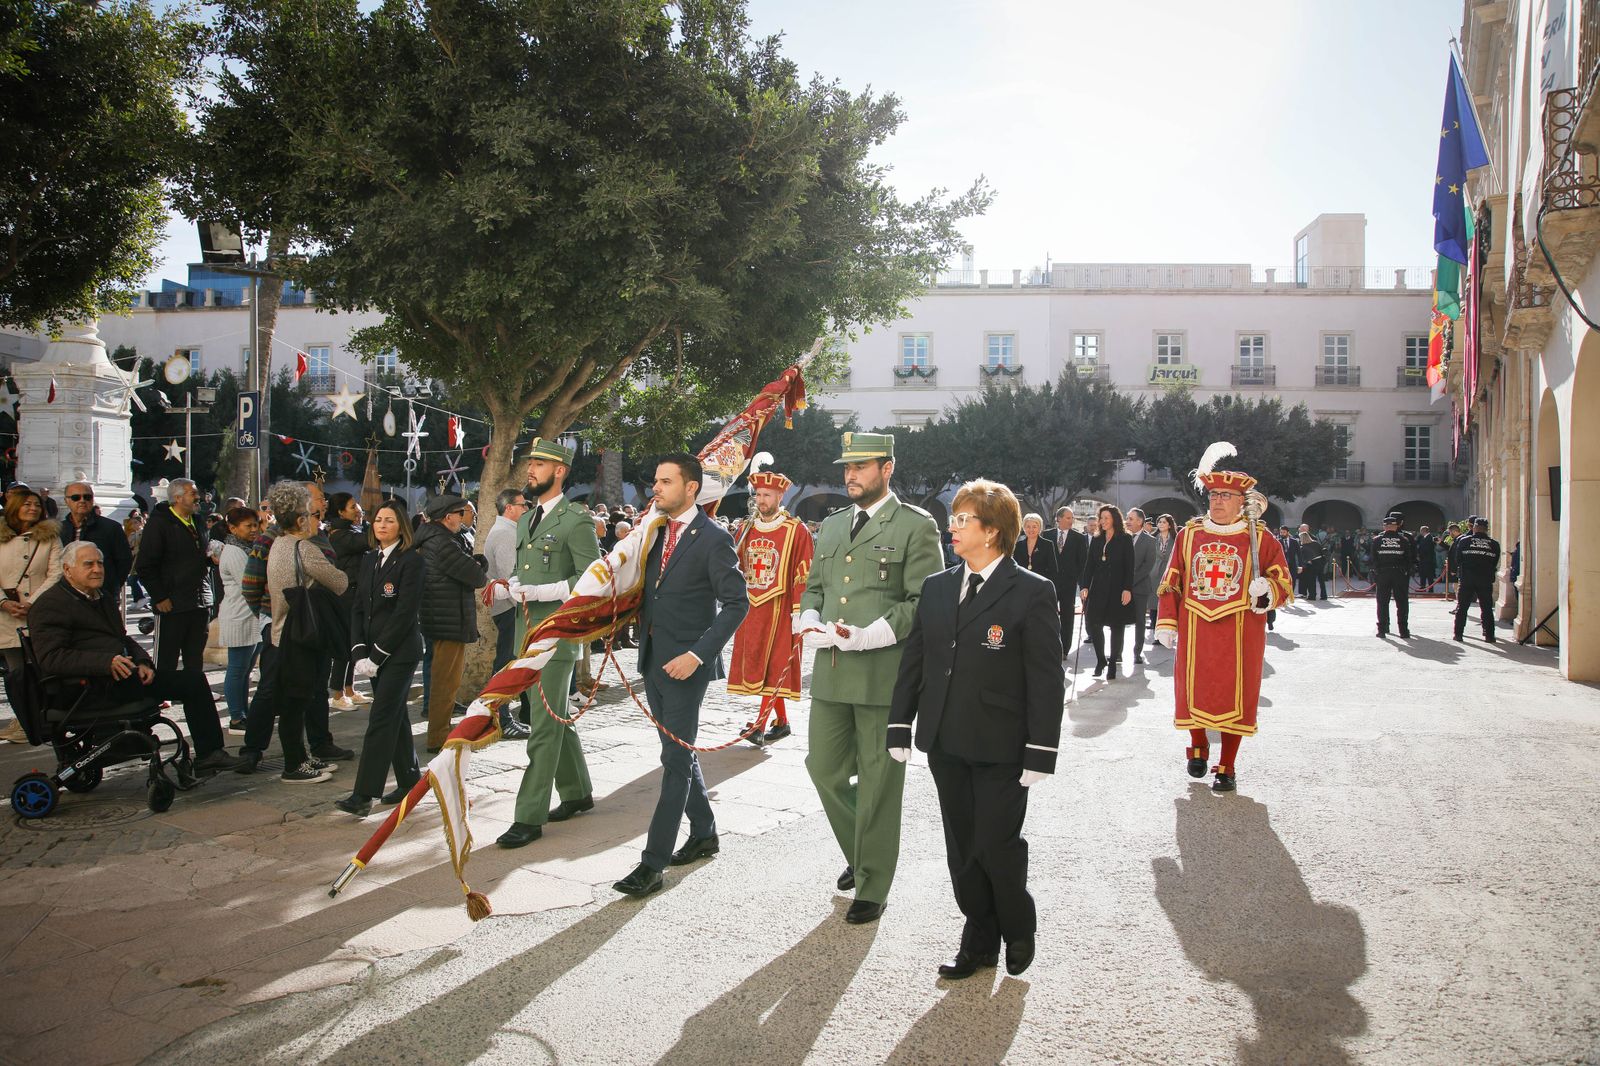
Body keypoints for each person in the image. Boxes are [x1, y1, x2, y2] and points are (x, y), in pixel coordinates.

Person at [888, 479, 1064, 980]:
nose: (953, 527)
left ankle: (1018, 924)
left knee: (996, 843)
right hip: (946, 740)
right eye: (955, 519)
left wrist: (1041, 751)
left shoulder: (1032, 591)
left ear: (991, 531)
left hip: (1003, 746)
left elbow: (1046, 679)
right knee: (963, 849)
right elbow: (915, 661)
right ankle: (979, 937)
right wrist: (900, 725)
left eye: (963, 520)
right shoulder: (939, 587)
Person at [796, 432, 943, 925]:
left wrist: (873, 634)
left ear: (888, 468)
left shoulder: (916, 526)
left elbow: (926, 601)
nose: (850, 475)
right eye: (846, 467)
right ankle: (862, 851)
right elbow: (814, 585)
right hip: (833, 673)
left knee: (880, 783)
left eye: (861, 466)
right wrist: (809, 618)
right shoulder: (834, 526)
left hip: (884, 675)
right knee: (824, 769)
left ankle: (873, 882)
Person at [611, 454, 748, 898]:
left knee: (673, 761)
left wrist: (699, 654)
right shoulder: (650, 533)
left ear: (691, 488)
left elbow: (736, 604)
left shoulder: (714, 538)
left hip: (685, 665)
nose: (656, 488)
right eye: (655, 481)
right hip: (652, 658)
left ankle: (652, 864)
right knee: (677, 751)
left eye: (665, 482)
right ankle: (705, 832)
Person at [29, 541, 247, 772]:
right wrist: (105, 663)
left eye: (100, 563)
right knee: (191, 683)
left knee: (193, 679)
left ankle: (210, 752)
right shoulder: (51, 605)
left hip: (119, 676)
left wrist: (143, 662)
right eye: (88, 564)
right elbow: (52, 658)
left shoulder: (100, 597)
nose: (97, 569)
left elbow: (123, 638)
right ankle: (210, 753)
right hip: (87, 689)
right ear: (67, 570)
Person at [1154, 444, 1294, 792]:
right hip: (1196, 627)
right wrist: (1167, 622)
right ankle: (1197, 748)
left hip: (1241, 631)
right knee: (1193, 692)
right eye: (1214, 494)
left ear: (1241, 501)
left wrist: (1267, 591)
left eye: (1226, 496)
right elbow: (1171, 580)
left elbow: (1284, 582)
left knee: (1237, 697)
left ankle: (1227, 767)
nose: (1217, 501)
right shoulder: (1188, 535)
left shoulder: (1260, 538)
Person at [494, 439, 601, 849]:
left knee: (541, 723)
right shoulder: (526, 519)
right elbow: (528, 572)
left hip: (557, 635)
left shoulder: (576, 520)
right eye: (530, 462)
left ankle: (528, 816)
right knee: (550, 714)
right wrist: (518, 587)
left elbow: (593, 580)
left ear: (560, 471)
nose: (530, 469)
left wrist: (548, 590)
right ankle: (577, 792)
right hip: (527, 632)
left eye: (539, 463)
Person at [335, 501, 425, 816]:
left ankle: (364, 794)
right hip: (372, 653)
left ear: (401, 526)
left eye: (389, 520)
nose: (381, 525)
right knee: (395, 714)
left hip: (399, 653)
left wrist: (378, 654)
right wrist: (359, 650)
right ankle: (410, 779)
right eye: (377, 520)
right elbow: (359, 606)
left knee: (381, 718)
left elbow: (404, 613)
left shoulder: (411, 561)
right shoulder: (370, 558)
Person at [264, 480, 349, 782]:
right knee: (296, 703)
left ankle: (301, 758)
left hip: (282, 634)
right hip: (301, 636)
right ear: (300, 520)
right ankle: (293, 765)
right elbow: (339, 582)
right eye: (314, 515)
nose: (319, 521)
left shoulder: (277, 545)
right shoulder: (304, 549)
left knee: (295, 701)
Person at [728, 468, 814, 746]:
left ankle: (759, 725)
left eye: (767, 495)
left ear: (779, 496)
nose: (761, 500)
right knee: (759, 665)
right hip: (751, 606)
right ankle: (782, 721)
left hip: (782, 607)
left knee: (775, 666)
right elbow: (735, 565)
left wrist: (800, 612)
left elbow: (804, 572)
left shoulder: (796, 530)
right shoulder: (746, 527)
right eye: (758, 495)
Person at [415, 494, 488, 752]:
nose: (463, 518)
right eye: (460, 513)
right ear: (448, 517)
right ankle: (438, 736)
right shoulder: (442, 543)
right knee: (445, 683)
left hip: (445, 616)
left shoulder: (438, 539)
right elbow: (477, 576)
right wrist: (479, 562)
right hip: (447, 619)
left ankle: (440, 730)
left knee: (446, 680)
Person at [134, 478, 214, 679]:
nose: (197, 497)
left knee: (194, 660)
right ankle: (161, 698)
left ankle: (194, 700)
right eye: (192, 493)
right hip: (172, 604)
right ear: (177, 498)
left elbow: (200, 555)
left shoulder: (198, 520)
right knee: (166, 660)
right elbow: (145, 565)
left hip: (199, 602)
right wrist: (160, 597)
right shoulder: (160, 523)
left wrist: (211, 559)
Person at [0, 488, 61, 742]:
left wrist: (32, 603)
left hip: (39, 615)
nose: (33, 508)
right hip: (6, 617)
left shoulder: (50, 538)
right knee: (16, 673)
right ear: (14, 506)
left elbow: (56, 573)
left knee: (42, 669)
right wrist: (4, 602)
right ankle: (26, 722)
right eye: (27, 504)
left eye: (37, 504)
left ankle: (47, 720)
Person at [481, 486, 532, 741]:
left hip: (513, 607)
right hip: (511, 608)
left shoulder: (509, 530)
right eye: (523, 505)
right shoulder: (504, 534)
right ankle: (500, 716)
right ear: (509, 508)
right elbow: (512, 575)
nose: (527, 509)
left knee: (517, 662)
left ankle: (523, 713)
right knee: (506, 664)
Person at [216, 506, 262, 732]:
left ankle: (243, 712)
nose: (254, 529)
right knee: (237, 669)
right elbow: (250, 582)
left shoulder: (248, 548)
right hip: (239, 616)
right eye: (248, 526)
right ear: (233, 528)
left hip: (251, 616)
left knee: (245, 669)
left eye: (256, 525)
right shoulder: (234, 551)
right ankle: (236, 716)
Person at [1079, 505, 1135, 680]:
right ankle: (1101, 659)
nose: (1102, 522)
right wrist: (1085, 586)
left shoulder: (1125, 539)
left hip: (1118, 588)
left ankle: (1112, 664)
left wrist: (1127, 588)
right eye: (1101, 518)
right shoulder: (1096, 539)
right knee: (1094, 624)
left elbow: (1129, 566)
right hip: (1098, 588)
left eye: (1106, 518)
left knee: (1116, 626)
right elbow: (1089, 565)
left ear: (1114, 520)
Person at [325, 492, 369, 711]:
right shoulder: (340, 534)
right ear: (341, 512)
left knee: (354, 642)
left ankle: (350, 689)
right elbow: (366, 541)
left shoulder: (352, 529)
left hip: (356, 592)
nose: (358, 510)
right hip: (346, 595)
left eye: (357, 506)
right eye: (353, 507)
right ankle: (337, 692)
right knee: (345, 643)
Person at [60, 481, 132, 603]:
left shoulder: (111, 527)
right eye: (76, 497)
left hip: (101, 595)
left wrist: (111, 588)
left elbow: (124, 561)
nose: (82, 501)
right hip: (65, 595)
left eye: (87, 497)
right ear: (67, 501)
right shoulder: (59, 529)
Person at [1044, 506, 1088, 652]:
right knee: (1049, 616)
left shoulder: (1079, 538)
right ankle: (1050, 645)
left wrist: (1083, 586)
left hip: (1069, 585)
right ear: (1059, 519)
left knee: (1067, 617)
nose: (1071, 520)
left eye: (1072, 518)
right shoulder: (1046, 535)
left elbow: (1082, 564)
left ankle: (1065, 648)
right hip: (1049, 584)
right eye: (1068, 518)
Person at [1452, 517, 1502, 642]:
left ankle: (1458, 634)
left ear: (1474, 527)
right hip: (1485, 579)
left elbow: (1458, 560)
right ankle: (1489, 635)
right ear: (1487, 529)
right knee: (1486, 608)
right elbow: (1494, 562)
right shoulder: (1494, 544)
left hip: (1467, 578)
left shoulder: (1464, 541)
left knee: (1462, 607)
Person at [1370, 512, 1416, 639]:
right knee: (1401, 602)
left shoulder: (1377, 540)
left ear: (1384, 527)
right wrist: (1406, 571)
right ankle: (1403, 630)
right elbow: (1409, 559)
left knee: (1382, 602)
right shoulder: (1403, 540)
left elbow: (1373, 559)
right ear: (1396, 526)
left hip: (1383, 574)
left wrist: (1377, 572)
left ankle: (1382, 630)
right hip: (1399, 574)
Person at [1126, 508, 1161, 663]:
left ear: (1140, 521)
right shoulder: (1122, 538)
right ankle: (1117, 653)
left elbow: (1148, 565)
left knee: (1140, 621)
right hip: (1121, 587)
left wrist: (1130, 582)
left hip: (1139, 587)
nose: (1127, 521)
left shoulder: (1150, 541)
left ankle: (1137, 652)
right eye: (1127, 518)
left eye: (1131, 518)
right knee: (1118, 621)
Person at [1012, 512, 1059, 591]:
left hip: (1041, 587)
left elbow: (1053, 570)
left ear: (1039, 528)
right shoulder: (1018, 545)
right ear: (1024, 528)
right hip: (1022, 587)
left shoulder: (1047, 545)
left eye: (1034, 527)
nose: (1031, 529)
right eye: (1028, 527)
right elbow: (1015, 568)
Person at [123, 511, 147, 604]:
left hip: (140, 560)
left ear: (141, 523)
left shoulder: (143, 532)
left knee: (133, 579)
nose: (133, 525)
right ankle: (138, 600)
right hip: (135, 560)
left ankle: (140, 599)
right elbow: (129, 544)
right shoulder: (133, 533)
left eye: (136, 523)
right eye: (132, 523)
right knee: (135, 579)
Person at [1295, 529, 1324, 602]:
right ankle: (1324, 596)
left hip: (1311, 565)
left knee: (1311, 581)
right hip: (1320, 563)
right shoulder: (1316, 543)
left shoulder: (1303, 547)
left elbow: (1303, 558)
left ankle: (1312, 596)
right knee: (1321, 581)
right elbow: (1322, 552)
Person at [1415, 525, 1438, 590]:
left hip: (1427, 559)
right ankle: (1423, 586)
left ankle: (1430, 588)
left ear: (1423, 531)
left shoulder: (1429, 538)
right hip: (1423, 559)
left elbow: (1426, 549)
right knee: (1423, 574)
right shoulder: (1423, 538)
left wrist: (1420, 554)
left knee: (1429, 575)